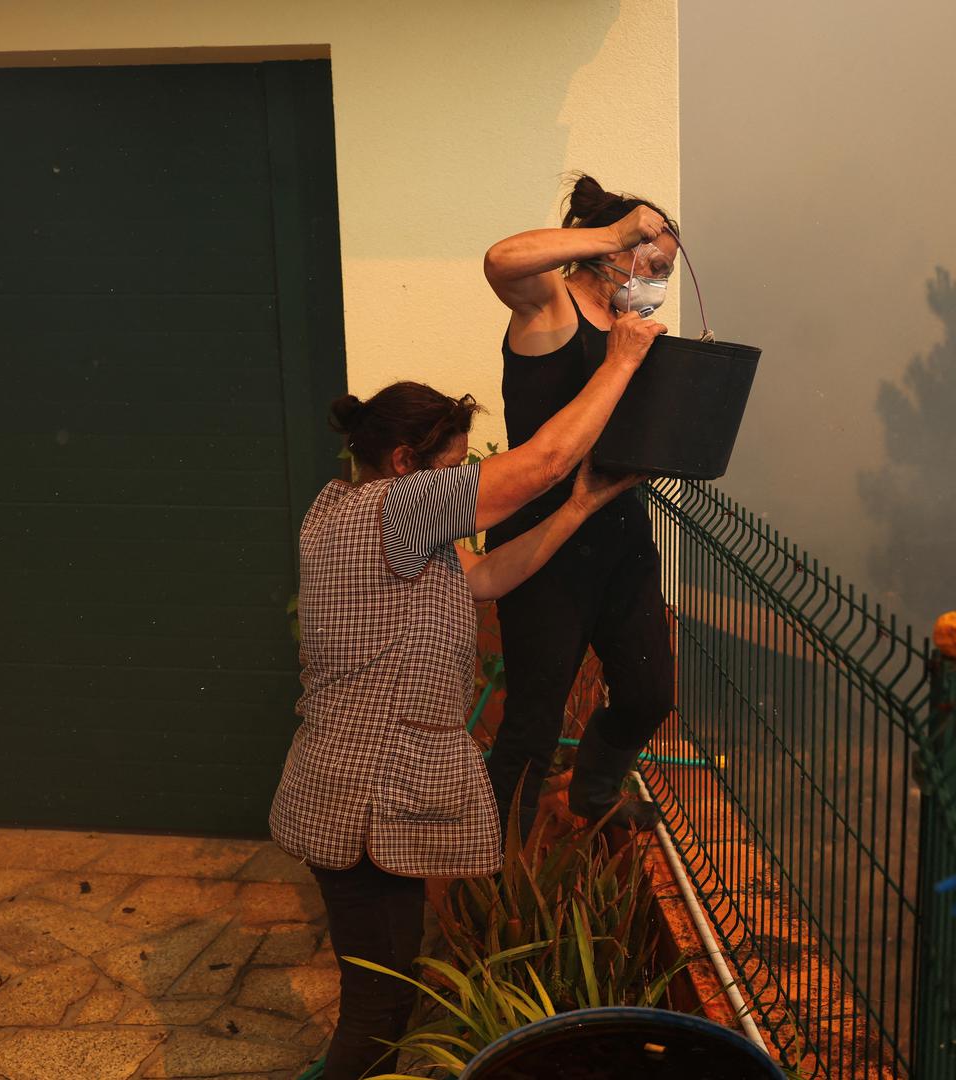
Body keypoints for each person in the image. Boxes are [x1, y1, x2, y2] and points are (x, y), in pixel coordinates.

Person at [268, 308, 664, 1080]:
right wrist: (619, 361)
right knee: (376, 1012)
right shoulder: (399, 507)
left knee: (384, 990)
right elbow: (543, 460)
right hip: (365, 799)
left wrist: (581, 505)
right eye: (453, 467)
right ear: (406, 461)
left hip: (349, 790)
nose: (463, 482)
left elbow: (482, 578)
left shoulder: (343, 512)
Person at [481, 174, 680, 833]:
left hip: (621, 538)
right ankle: (490, 871)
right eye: (653, 264)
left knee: (651, 692)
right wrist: (613, 232)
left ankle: (594, 793)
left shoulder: (634, 329)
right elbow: (500, 260)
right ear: (611, 254)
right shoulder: (552, 310)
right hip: (544, 544)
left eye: (668, 272)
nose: (657, 282)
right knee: (533, 723)